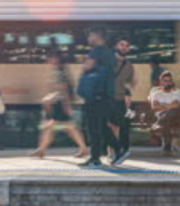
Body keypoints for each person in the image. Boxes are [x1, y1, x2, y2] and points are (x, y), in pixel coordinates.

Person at [80, 30, 126, 168]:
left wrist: (84, 67)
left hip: (96, 95)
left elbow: (87, 66)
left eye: (90, 35)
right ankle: (117, 150)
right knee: (101, 126)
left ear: (96, 36)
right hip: (106, 96)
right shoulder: (110, 53)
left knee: (94, 127)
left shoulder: (97, 51)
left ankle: (95, 159)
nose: (88, 37)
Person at [31, 51, 88, 158]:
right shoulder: (60, 70)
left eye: (49, 58)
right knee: (59, 127)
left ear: (56, 59)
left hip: (60, 103)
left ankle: (42, 150)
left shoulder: (59, 71)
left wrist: (65, 104)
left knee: (63, 127)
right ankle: (41, 149)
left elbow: (63, 88)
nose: (47, 60)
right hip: (59, 103)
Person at [109, 39, 135, 160]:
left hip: (120, 99)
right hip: (107, 97)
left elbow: (127, 85)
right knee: (108, 125)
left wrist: (128, 103)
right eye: (122, 45)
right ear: (116, 46)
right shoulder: (108, 61)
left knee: (117, 126)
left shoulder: (129, 66)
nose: (124, 47)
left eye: (127, 45)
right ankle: (110, 151)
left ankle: (113, 152)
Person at [149, 71, 180, 154]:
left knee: (172, 112)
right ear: (161, 82)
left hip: (174, 117)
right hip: (162, 116)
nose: (167, 83)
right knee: (167, 121)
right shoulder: (156, 94)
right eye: (165, 81)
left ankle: (158, 123)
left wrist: (162, 106)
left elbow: (176, 105)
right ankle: (167, 147)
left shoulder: (176, 94)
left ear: (172, 82)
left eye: (169, 81)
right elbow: (154, 107)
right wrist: (169, 105)